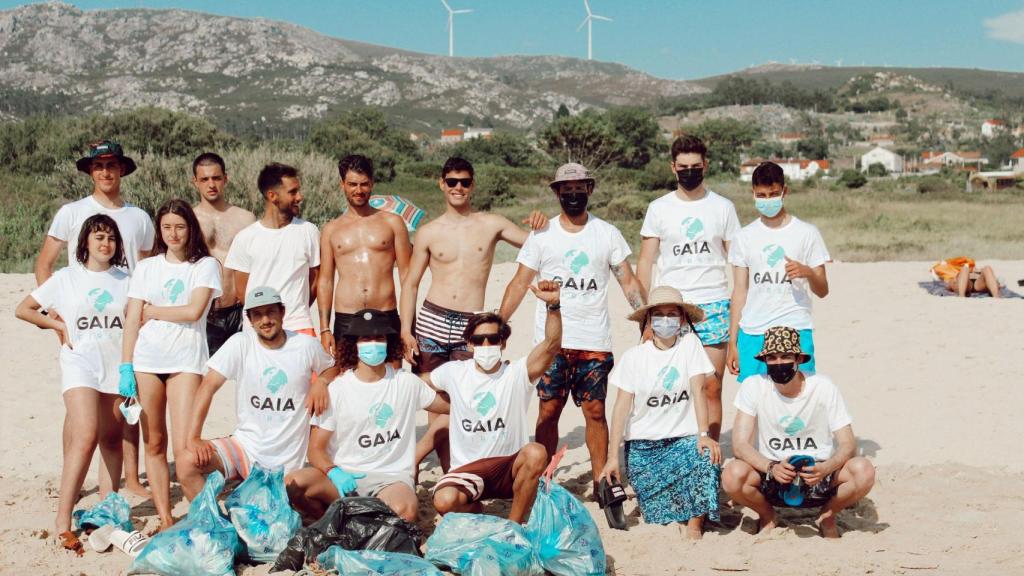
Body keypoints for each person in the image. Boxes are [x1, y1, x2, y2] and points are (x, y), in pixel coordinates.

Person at [499, 162, 645, 497]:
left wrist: (646, 323)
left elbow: (629, 281)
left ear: (590, 189)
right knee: (549, 410)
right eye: (567, 189)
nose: (574, 194)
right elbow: (519, 283)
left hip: (594, 339)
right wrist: (498, 324)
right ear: (557, 193)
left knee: (595, 410)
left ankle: (602, 483)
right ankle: (543, 480)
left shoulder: (607, 233)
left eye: (580, 188)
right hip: (551, 341)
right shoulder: (542, 234)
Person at [401, 156, 547, 473]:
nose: (458, 187)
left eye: (464, 181)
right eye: (451, 181)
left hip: (472, 326)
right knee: (435, 404)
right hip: (431, 322)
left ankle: (415, 462)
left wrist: (542, 221)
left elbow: (539, 242)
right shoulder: (428, 232)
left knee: (465, 401)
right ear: (442, 184)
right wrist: (405, 330)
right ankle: (449, 472)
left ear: (472, 185)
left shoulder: (491, 224)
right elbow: (410, 284)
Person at [35, 139, 153, 497]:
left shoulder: (139, 217)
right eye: (98, 166)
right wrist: (57, 316)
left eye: (112, 165)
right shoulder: (71, 212)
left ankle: (129, 479)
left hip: (125, 320)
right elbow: (44, 264)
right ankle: (72, 476)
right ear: (90, 171)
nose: (105, 171)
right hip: (84, 321)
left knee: (124, 404)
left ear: (121, 170)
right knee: (80, 410)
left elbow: (145, 270)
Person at [15, 215, 131, 554]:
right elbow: (24, 309)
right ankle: (62, 523)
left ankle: (108, 514)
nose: (105, 243)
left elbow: (140, 315)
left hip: (115, 363)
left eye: (110, 238)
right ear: (85, 242)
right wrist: (56, 326)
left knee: (112, 438)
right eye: (98, 237)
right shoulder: (66, 278)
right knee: (85, 435)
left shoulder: (127, 278)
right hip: (79, 361)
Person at [286, 309, 450, 523]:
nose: (373, 343)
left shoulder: (406, 383)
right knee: (294, 484)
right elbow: (315, 449)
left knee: (406, 511)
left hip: (391, 479)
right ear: (354, 344)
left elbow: (450, 409)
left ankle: (351, 519)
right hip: (345, 477)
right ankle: (335, 522)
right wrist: (334, 472)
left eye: (379, 337)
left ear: (389, 342)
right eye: (365, 338)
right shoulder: (337, 390)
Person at [177, 286, 336, 500]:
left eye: (271, 312)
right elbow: (208, 386)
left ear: (282, 312)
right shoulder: (241, 343)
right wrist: (193, 437)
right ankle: (217, 526)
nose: (265, 320)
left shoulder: (305, 345)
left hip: (286, 464)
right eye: (258, 315)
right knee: (187, 461)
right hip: (245, 448)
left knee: (280, 518)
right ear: (250, 320)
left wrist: (322, 381)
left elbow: (332, 367)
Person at [120, 199, 222, 529]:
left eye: (179, 226)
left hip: (186, 361)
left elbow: (193, 311)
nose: (173, 233)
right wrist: (126, 365)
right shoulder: (148, 268)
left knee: (185, 446)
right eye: (166, 227)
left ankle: (203, 513)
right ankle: (165, 517)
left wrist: (155, 311)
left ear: (190, 227)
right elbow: (133, 317)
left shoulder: (204, 265)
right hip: (147, 360)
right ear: (159, 230)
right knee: (154, 442)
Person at [721, 326, 875, 538]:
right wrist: (771, 467)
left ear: (798, 360)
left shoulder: (823, 386)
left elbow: (848, 443)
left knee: (863, 470)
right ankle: (767, 515)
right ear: (764, 360)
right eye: (772, 357)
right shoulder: (753, 386)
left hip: (818, 471)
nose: (778, 363)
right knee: (732, 475)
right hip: (773, 473)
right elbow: (740, 444)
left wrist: (825, 467)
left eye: (785, 356)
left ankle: (827, 514)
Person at [432, 280, 562, 524]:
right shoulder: (453, 372)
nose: (486, 345)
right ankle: (477, 512)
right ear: (469, 343)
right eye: (479, 340)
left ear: (503, 343)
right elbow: (421, 388)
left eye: (493, 339)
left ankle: (513, 525)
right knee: (444, 501)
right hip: (469, 469)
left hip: (509, 468)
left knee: (536, 452)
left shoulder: (517, 373)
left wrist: (553, 305)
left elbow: (551, 345)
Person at [636, 135, 740, 440]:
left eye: (696, 166)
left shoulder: (723, 207)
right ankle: (674, 448)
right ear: (673, 167)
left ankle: (710, 455)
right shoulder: (659, 208)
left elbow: (739, 263)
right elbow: (645, 263)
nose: (689, 171)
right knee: (670, 384)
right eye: (683, 166)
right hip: (670, 307)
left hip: (714, 305)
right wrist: (644, 317)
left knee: (711, 386)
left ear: (705, 166)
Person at [600, 286, 721, 540]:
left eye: (672, 314)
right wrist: (613, 457)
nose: (665, 320)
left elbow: (699, 390)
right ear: (649, 320)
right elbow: (621, 408)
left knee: (708, 454)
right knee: (658, 515)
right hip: (644, 449)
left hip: (683, 441)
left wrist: (703, 433)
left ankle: (695, 523)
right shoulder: (634, 357)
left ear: (682, 319)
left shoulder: (691, 346)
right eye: (659, 315)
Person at [726, 161, 830, 383]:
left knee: (799, 397)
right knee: (752, 402)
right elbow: (739, 292)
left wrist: (808, 272)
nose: (768, 200)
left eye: (773, 194)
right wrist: (732, 342)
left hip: (795, 328)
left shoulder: (807, 233)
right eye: (761, 195)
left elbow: (823, 290)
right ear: (753, 193)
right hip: (753, 331)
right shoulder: (744, 237)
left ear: (784, 191)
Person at [318, 154, 410, 357]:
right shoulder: (331, 230)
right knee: (346, 379)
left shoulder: (392, 222)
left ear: (372, 183)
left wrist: (407, 324)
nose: (358, 190)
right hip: (347, 317)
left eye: (364, 184)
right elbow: (325, 281)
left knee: (391, 378)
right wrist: (325, 328)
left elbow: (407, 277)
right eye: (352, 184)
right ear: (342, 184)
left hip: (385, 313)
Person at [225, 163, 320, 337]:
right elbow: (242, 291)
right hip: (258, 330)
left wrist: (295, 310)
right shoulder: (245, 238)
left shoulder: (309, 231)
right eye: (292, 192)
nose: (300, 197)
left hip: (299, 326)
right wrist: (264, 318)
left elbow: (315, 281)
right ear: (272, 195)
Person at [191, 152, 256, 356]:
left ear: (225, 179)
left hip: (240, 309)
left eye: (216, 178)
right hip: (205, 311)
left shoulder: (245, 218)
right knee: (207, 378)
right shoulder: (190, 220)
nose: (211, 184)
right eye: (205, 179)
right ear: (195, 182)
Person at [932, 258, 1002, 298]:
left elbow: (993, 279)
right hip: (965, 284)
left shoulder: (975, 268)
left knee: (987, 268)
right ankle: (962, 297)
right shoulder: (953, 270)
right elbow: (950, 283)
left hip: (978, 283)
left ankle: (996, 297)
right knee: (965, 269)